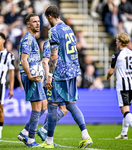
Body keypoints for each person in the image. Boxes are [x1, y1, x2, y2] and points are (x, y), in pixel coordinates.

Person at [38, 5, 93, 148]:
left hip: (60, 72)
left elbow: (54, 54)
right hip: (73, 71)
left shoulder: (53, 31)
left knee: (52, 105)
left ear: (50, 16)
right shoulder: (69, 29)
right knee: (71, 104)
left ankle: (49, 142)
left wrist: (49, 75)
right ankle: (85, 136)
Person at [17, 13, 46, 147]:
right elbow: (23, 59)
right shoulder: (28, 38)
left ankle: (24, 132)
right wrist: (29, 75)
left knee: (43, 106)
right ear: (28, 24)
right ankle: (30, 139)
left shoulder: (32, 38)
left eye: (38, 21)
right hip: (31, 76)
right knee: (37, 107)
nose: (37, 23)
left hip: (34, 75)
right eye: (34, 22)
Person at [107, 32, 132, 140]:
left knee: (124, 110)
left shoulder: (117, 55)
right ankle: (124, 134)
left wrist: (107, 76)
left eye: (117, 40)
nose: (116, 42)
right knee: (127, 108)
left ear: (120, 42)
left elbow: (111, 71)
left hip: (122, 85)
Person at [36, 40, 69, 142]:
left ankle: (47, 138)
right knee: (64, 108)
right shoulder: (51, 43)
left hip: (55, 80)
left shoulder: (53, 43)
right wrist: (48, 78)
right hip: (54, 81)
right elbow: (45, 61)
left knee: (52, 109)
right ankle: (44, 129)